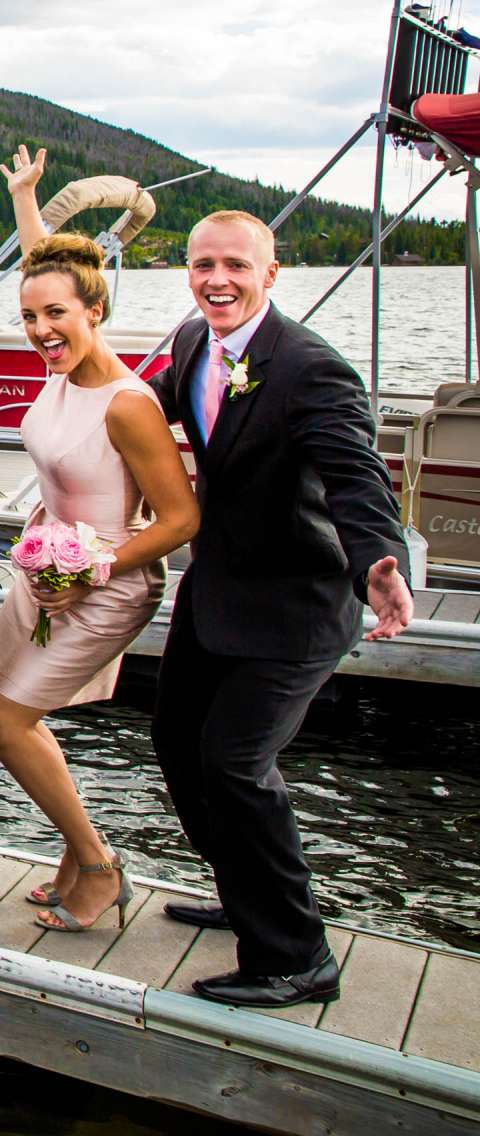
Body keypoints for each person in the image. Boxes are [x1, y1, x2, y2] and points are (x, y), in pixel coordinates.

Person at [145, 205, 413, 1007]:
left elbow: (356, 476)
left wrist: (378, 561)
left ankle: (298, 958)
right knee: (175, 741)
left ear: (270, 273)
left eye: (235, 266)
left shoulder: (310, 368)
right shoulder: (196, 342)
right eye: (202, 266)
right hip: (216, 588)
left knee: (235, 762)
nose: (217, 280)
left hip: (295, 607)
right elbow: (149, 402)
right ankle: (243, 892)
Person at [0, 147, 200, 933]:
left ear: (96, 313)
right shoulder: (59, 373)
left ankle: (100, 865)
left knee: (5, 722)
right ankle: (76, 854)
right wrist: (26, 199)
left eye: (58, 317)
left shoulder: (127, 404)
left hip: (109, 584)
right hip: (46, 573)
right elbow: (50, 264)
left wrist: (96, 566)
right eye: (32, 317)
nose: (43, 329)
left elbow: (181, 521)